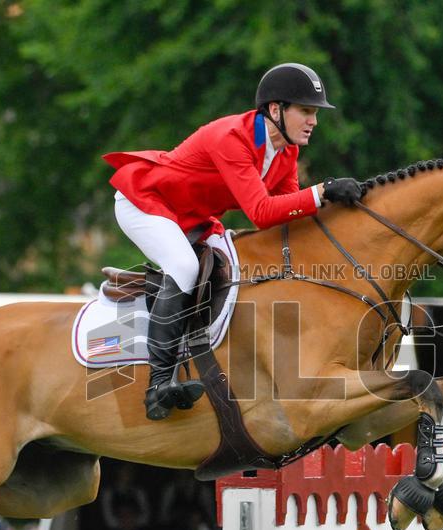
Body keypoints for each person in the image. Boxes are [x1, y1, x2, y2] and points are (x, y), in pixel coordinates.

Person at [104, 63, 364, 421]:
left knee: (230, 260)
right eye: (305, 111)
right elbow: (261, 212)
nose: (313, 121)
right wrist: (322, 191)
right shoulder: (232, 137)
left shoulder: (286, 152)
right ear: (276, 110)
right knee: (184, 266)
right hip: (145, 202)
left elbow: (289, 214)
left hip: (192, 216)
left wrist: (337, 209)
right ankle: (158, 385)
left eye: (314, 113)